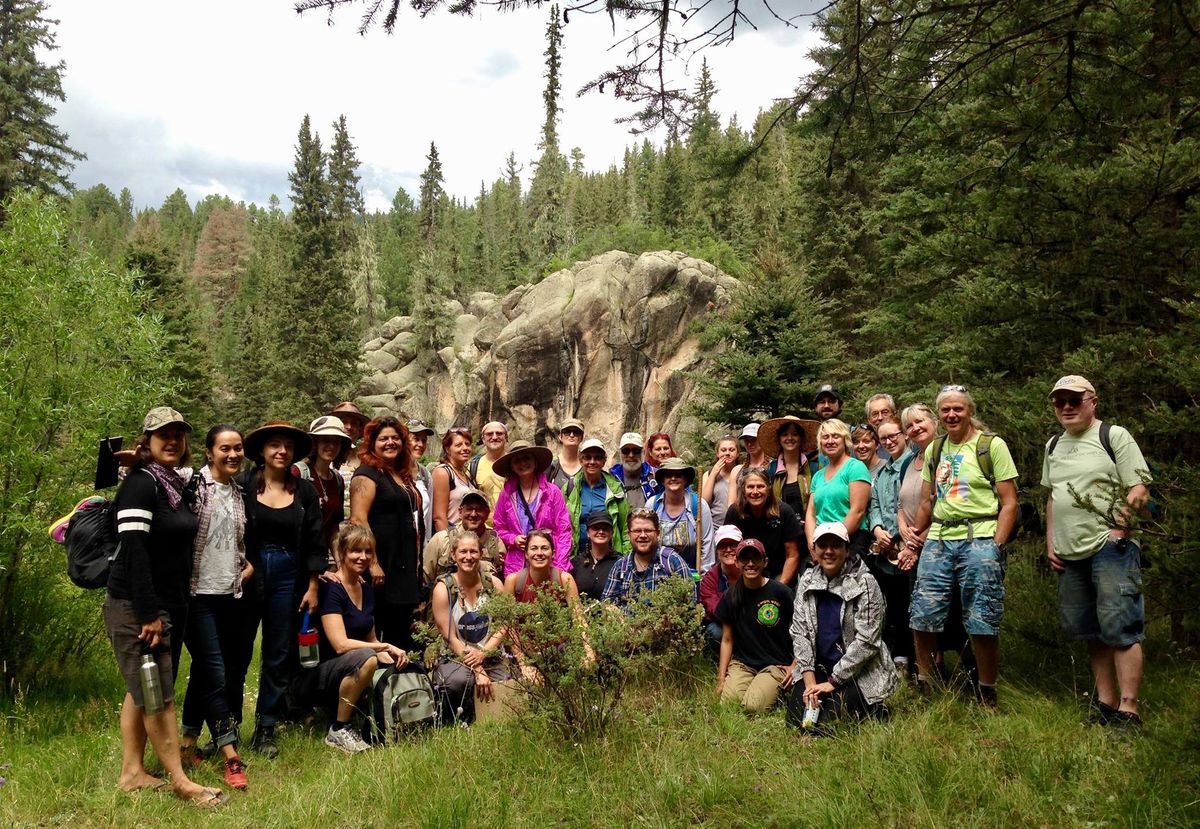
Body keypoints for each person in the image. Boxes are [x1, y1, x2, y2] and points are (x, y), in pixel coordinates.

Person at [105, 407, 223, 806]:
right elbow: (135, 553)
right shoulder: (141, 484)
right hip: (137, 606)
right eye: (162, 435)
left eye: (178, 434)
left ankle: (132, 773)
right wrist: (148, 614)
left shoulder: (172, 483)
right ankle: (179, 779)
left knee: (141, 688)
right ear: (148, 441)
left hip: (167, 603)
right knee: (158, 694)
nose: (171, 441)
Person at [1042, 375, 1151, 727]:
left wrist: (1119, 530)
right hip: (1069, 552)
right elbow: (1053, 496)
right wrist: (1051, 542)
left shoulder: (1113, 436)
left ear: (1093, 401)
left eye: (1075, 400)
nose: (1067, 407)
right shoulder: (1053, 444)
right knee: (1089, 629)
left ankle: (1129, 708)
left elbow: (1139, 487)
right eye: (1060, 401)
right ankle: (1104, 704)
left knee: (1120, 626)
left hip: (1111, 548)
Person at [905, 385, 1019, 708]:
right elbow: (928, 500)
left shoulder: (990, 446)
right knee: (922, 614)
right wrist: (915, 538)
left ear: (969, 410)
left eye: (958, 409)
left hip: (979, 536)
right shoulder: (935, 449)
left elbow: (1009, 503)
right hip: (939, 539)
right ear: (939, 415)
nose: (952, 415)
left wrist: (996, 545)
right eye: (946, 410)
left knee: (982, 617)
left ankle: (986, 690)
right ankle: (926, 683)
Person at [241, 419, 324, 759]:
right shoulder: (244, 484)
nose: (281, 450)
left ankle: (266, 727)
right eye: (274, 444)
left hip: (290, 575)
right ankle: (226, 727)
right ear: (261, 451)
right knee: (239, 651)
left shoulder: (304, 491)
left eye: (287, 446)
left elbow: (316, 540)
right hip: (248, 571)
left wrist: (313, 585)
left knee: (278, 653)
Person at [180, 424, 252, 790]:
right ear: (209, 452)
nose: (233, 455)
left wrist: (245, 564)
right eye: (225, 449)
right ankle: (230, 753)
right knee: (217, 674)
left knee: (206, 671)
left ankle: (188, 743)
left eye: (237, 448)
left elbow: (235, 542)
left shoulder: (238, 492)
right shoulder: (191, 483)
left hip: (229, 593)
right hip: (196, 596)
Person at [788, 523, 898, 733]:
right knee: (797, 719)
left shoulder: (865, 583)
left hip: (856, 672)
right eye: (823, 545)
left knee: (829, 724)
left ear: (847, 550)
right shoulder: (807, 581)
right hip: (818, 668)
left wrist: (833, 682)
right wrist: (810, 684)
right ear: (815, 549)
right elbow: (800, 633)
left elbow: (867, 641)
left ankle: (873, 707)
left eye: (836, 545)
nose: (829, 551)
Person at [310, 522, 409, 753]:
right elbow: (340, 645)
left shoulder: (364, 587)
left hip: (349, 665)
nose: (363, 557)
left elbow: (371, 638)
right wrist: (384, 646)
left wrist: (395, 655)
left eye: (368, 552)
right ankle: (339, 728)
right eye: (356, 551)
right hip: (319, 674)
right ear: (342, 553)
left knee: (395, 661)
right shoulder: (330, 588)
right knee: (368, 658)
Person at [349, 416, 422, 650]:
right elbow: (358, 519)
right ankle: (372, 681)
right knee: (375, 627)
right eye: (383, 439)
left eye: (395, 438)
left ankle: (397, 683)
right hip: (381, 566)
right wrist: (372, 562)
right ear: (372, 443)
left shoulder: (400, 474)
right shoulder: (367, 473)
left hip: (403, 565)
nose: (390, 442)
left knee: (399, 629)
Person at [430, 531, 510, 725]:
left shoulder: (493, 584)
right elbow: (450, 638)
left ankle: (492, 719)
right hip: (456, 655)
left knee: (507, 683)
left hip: (489, 652)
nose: (468, 557)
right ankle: (459, 721)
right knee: (459, 681)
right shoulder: (443, 589)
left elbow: (504, 624)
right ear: (453, 555)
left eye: (473, 551)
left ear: (481, 553)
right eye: (463, 552)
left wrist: (483, 653)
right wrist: (477, 668)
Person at [714, 539, 796, 713]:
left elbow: (802, 631)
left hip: (776, 664)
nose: (750, 564)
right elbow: (727, 639)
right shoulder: (731, 595)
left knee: (754, 707)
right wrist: (721, 679)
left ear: (765, 562)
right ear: (737, 562)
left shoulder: (781, 592)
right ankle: (749, 685)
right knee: (729, 703)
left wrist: (795, 665)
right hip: (743, 663)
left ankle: (773, 690)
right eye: (744, 559)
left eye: (756, 558)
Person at [865, 416, 917, 672]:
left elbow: (915, 504)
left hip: (909, 545)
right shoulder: (883, 472)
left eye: (893, 435)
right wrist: (877, 530)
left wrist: (895, 536)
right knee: (893, 604)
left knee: (912, 603)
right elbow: (874, 504)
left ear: (904, 435)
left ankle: (920, 658)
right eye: (884, 438)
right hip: (884, 549)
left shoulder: (914, 464)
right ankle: (899, 656)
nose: (889, 441)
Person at [491, 440, 573, 576]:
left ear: (535, 462)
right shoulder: (506, 494)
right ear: (512, 466)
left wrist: (559, 567)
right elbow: (499, 527)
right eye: (517, 460)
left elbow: (563, 530)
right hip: (517, 564)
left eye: (526, 458)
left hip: (548, 562)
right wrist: (513, 539)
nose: (523, 463)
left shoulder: (552, 492)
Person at [723, 468, 803, 586]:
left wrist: (779, 588)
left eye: (760, 486)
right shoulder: (734, 512)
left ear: (769, 488)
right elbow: (727, 551)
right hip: (745, 573)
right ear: (743, 490)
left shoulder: (784, 512)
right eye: (750, 487)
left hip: (778, 573)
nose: (755, 491)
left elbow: (792, 555)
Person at [805, 419, 872, 559]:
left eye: (835, 436)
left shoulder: (855, 467)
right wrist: (813, 544)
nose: (830, 441)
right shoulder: (818, 475)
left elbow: (858, 511)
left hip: (850, 540)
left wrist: (834, 543)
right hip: (821, 543)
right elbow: (811, 514)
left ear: (845, 440)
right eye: (825, 437)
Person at [600, 509, 692, 607]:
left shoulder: (672, 562)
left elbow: (690, 603)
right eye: (637, 531)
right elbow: (606, 603)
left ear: (657, 533)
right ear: (629, 535)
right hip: (625, 622)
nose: (643, 535)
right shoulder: (620, 567)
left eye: (648, 530)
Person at [292, 415, 353, 558]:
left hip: (320, 557)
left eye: (336, 442)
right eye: (325, 440)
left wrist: (340, 566)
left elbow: (334, 529)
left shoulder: (337, 480)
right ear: (315, 443)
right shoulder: (298, 473)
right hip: (296, 558)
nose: (331, 446)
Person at [422, 488, 505, 583]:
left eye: (479, 510)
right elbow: (425, 579)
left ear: (486, 513)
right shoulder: (441, 540)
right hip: (446, 596)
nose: (473, 514)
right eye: (469, 509)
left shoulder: (496, 543)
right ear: (460, 512)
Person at [647, 457, 714, 574]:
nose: (673, 478)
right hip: (658, 575)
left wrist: (704, 577)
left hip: (691, 574)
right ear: (662, 480)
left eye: (678, 475)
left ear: (685, 479)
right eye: (669, 475)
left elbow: (707, 543)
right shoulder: (652, 505)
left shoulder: (698, 505)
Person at [566, 438, 631, 559]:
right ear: (580, 460)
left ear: (604, 461)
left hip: (610, 556)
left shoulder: (615, 489)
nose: (592, 461)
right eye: (587, 457)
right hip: (577, 556)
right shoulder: (570, 488)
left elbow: (626, 527)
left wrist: (626, 558)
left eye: (597, 458)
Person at [757, 415, 818, 518]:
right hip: (780, 529)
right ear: (779, 439)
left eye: (794, 434)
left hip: (808, 528)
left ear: (801, 438)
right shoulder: (771, 469)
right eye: (785, 434)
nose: (789, 438)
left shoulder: (814, 469)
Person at [504, 529, 582, 605]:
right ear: (526, 554)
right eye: (534, 548)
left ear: (553, 553)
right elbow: (505, 616)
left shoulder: (564, 579)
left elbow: (577, 614)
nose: (539, 553)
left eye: (545, 548)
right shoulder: (513, 581)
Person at [700, 525, 743, 650]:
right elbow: (715, 609)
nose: (728, 550)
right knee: (715, 632)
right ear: (717, 550)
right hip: (723, 623)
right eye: (723, 546)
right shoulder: (709, 579)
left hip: (750, 622)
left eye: (733, 545)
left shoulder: (751, 571)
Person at [571, 511, 622, 601]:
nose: (601, 531)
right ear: (588, 533)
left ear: (612, 534)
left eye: (605, 528)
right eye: (596, 528)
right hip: (579, 613)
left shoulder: (621, 563)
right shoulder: (576, 563)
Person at [432, 426, 474, 532]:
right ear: (447, 449)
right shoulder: (443, 472)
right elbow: (439, 517)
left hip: (468, 538)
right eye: (459, 445)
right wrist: (447, 545)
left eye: (467, 444)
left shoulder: (466, 474)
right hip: (452, 536)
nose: (465, 448)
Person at [328, 402, 369, 502]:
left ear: (360, 429)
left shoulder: (366, 459)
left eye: (354, 423)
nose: (349, 427)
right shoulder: (321, 457)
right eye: (344, 422)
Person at [472, 421, 509, 525]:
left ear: (506, 437)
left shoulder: (515, 463)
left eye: (499, 433)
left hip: (513, 530)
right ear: (483, 439)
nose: (494, 437)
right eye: (489, 434)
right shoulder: (474, 466)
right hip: (483, 529)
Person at [610, 431, 657, 509]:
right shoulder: (611, 478)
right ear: (620, 453)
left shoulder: (655, 475)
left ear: (643, 452)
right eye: (626, 451)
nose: (631, 455)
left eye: (636, 451)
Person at [407, 419, 436, 545]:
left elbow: (428, 516)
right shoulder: (391, 472)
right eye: (415, 438)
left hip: (420, 546)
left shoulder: (425, 474)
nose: (420, 444)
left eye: (424, 440)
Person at [726, 423, 766, 514]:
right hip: (743, 518)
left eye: (753, 440)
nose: (749, 443)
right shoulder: (737, 471)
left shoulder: (773, 467)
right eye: (746, 440)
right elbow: (731, 503)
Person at [700, 435, 739, 527]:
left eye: (731, 450)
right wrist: (713, 474)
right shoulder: (708, 474)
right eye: (723, 450)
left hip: (738, 526)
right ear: (717, 454)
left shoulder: (743, 473)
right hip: (714, 527)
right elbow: (704, 503)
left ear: (738, 454)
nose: (727, 453)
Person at [547, 418, 585, 494]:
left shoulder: (588, 464)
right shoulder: (551, 465)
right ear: (560, 436)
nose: (571, 435)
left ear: (581, 437)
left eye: (576, 432)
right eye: (567, 432)